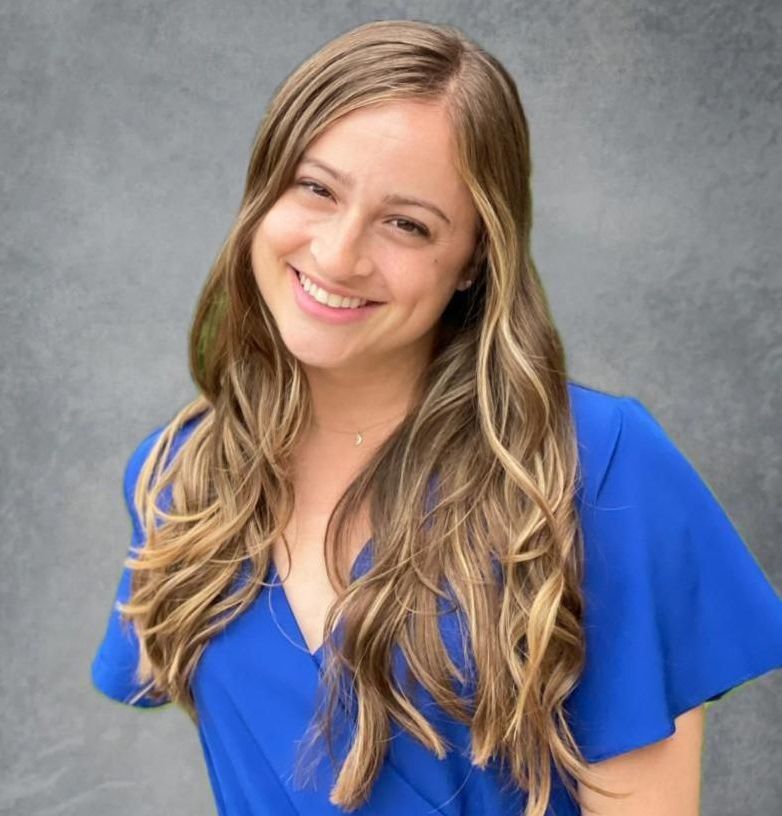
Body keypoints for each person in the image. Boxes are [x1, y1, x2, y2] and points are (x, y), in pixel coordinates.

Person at [90, 19, 782, 816]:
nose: (338, 254)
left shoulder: (597, 468)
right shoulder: (181, 476)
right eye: (316, 188)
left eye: (407, 224)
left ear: (475, 259)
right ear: (264, 189)